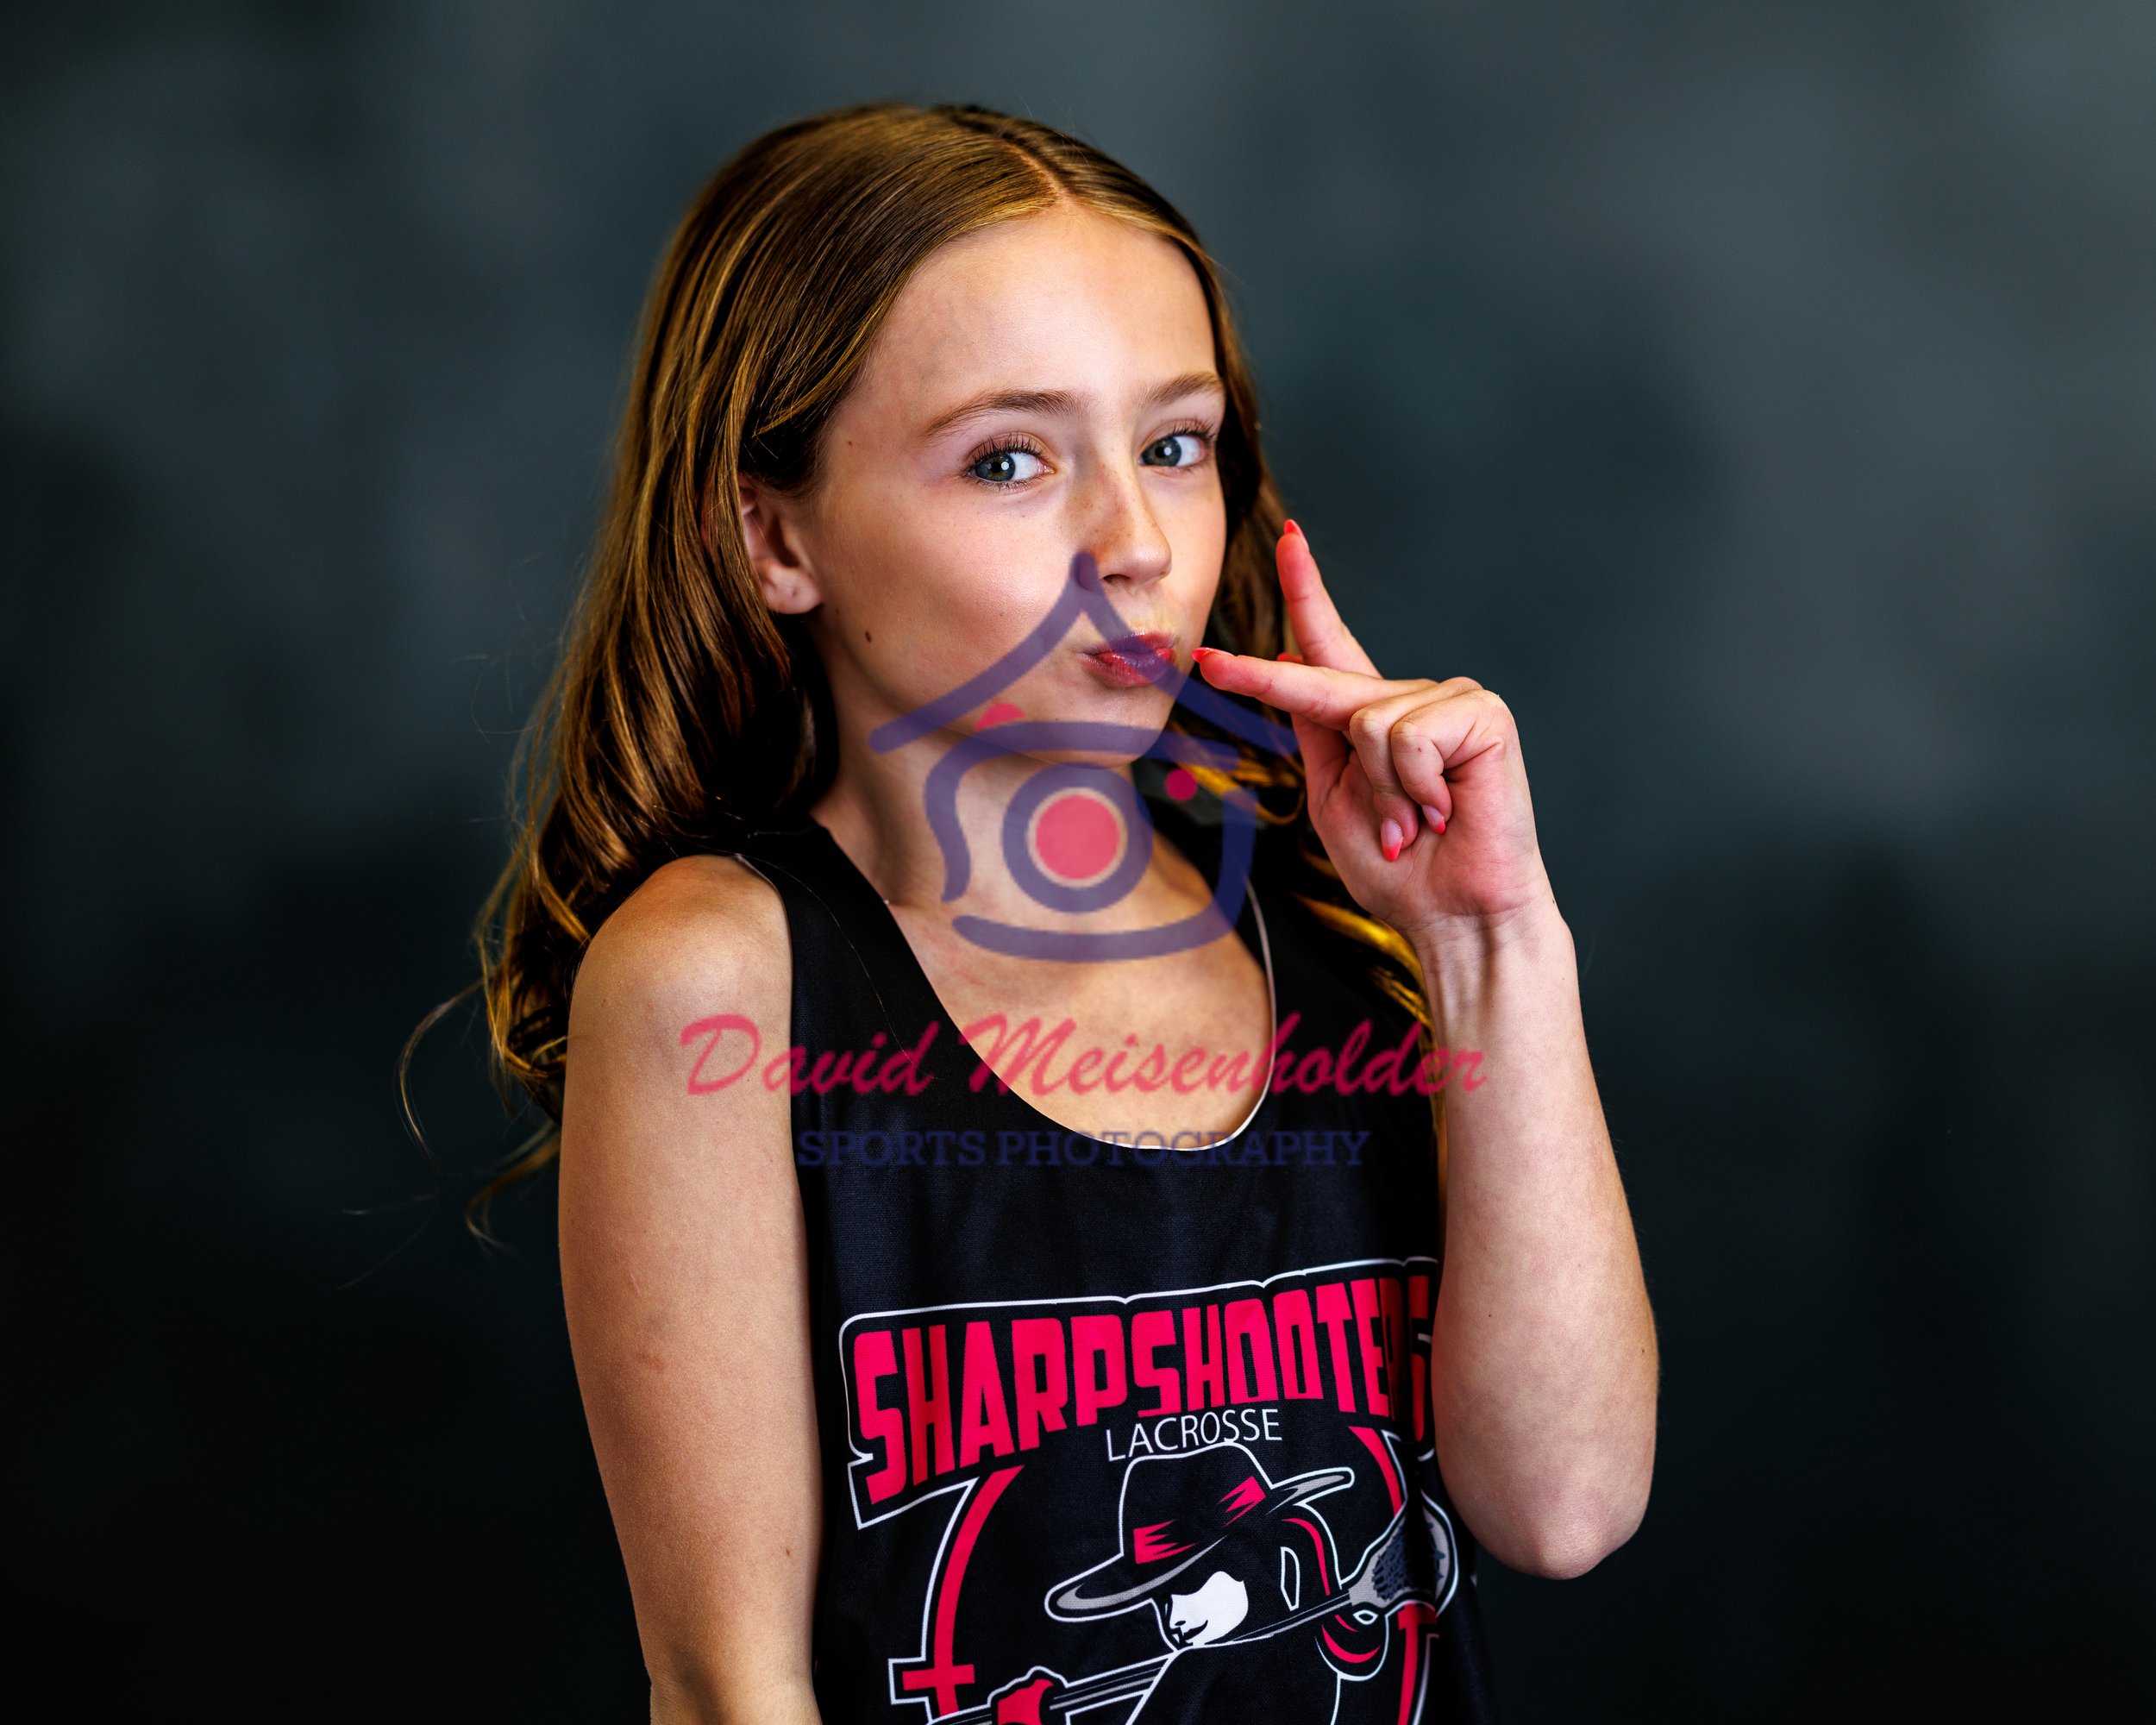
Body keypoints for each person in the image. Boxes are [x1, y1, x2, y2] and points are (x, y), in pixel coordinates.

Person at [467, 102, 1657, 1722]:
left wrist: (1487, 941)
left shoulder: (1346, 926)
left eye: (1175, 444)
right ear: (775, 537)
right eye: (1009, 460)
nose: (1138, 545)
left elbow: (1565, 1507)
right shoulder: (722, 978)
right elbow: (730, 1687)